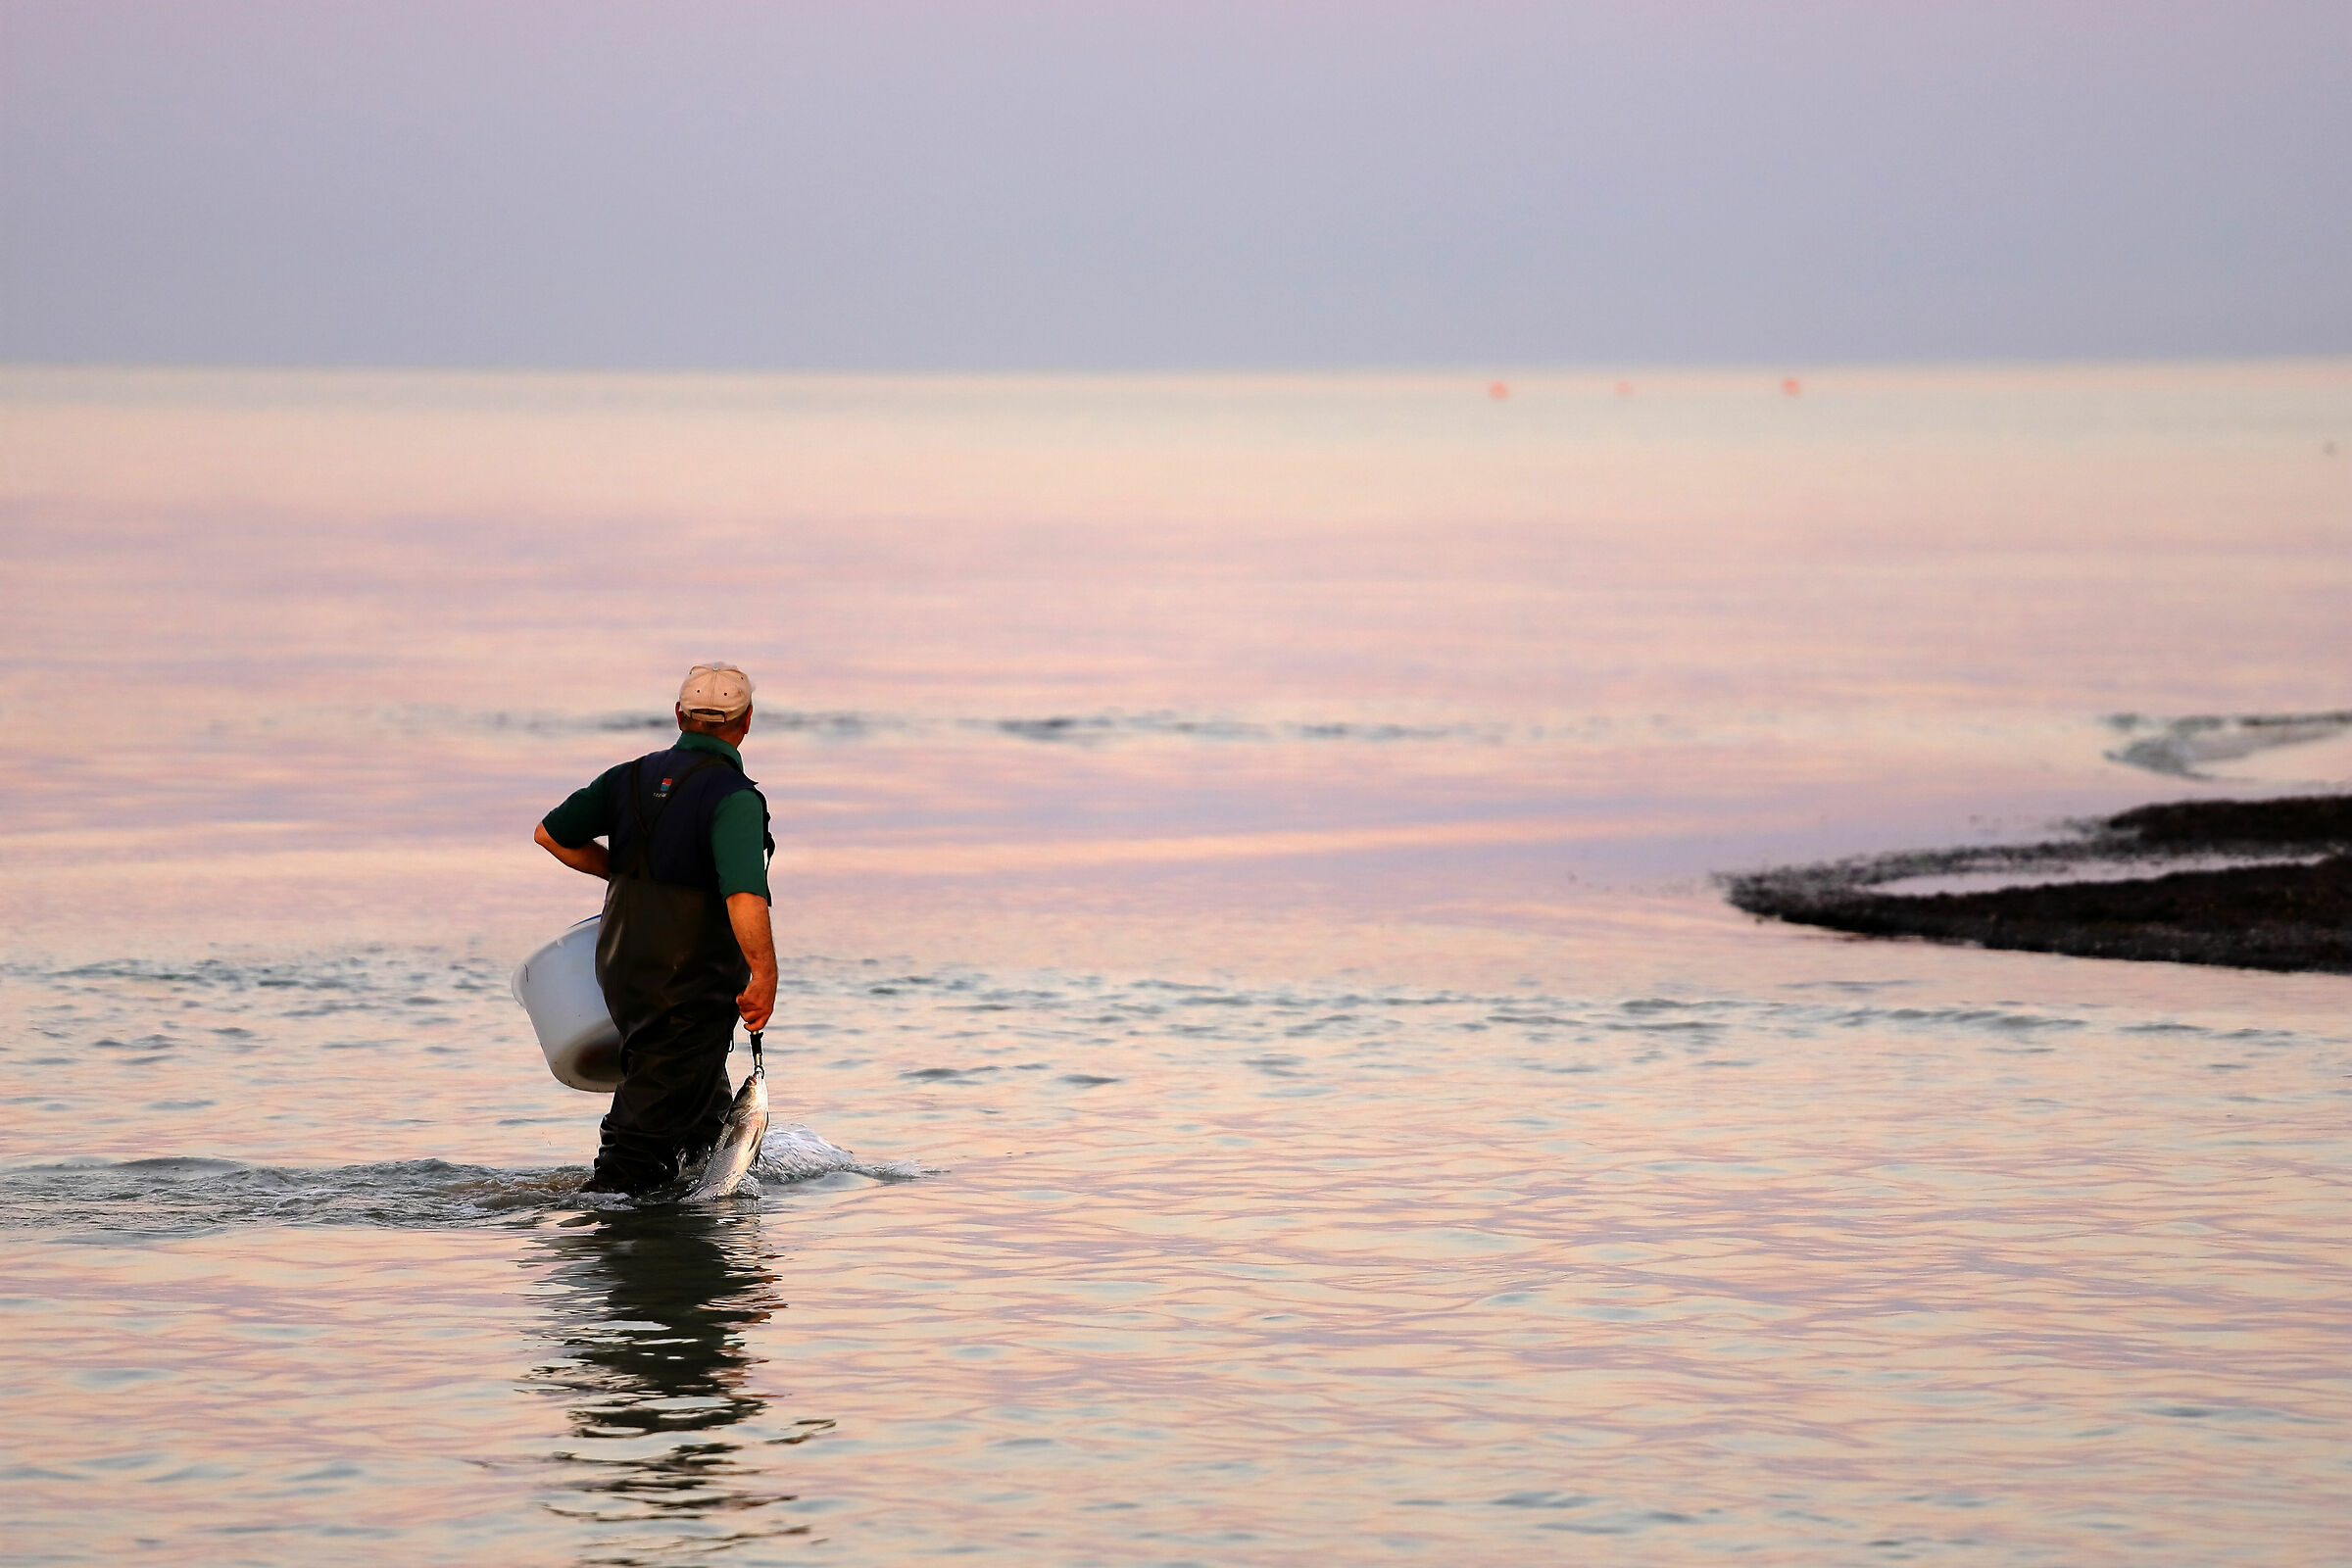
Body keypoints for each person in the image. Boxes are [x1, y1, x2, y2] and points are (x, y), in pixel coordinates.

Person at [535, 663, 777, 1195]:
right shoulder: (733, 798)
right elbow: (743, 895)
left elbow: (551, 834)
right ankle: (601, 1215)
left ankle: (699, 1196)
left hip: (623, 970)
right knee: (634, 1150)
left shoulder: (628, 777)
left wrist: (624, 872)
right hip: (689, 982)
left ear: (679, 716)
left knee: (700, 1124)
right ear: (747, 721)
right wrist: (763, 974)